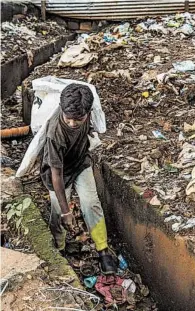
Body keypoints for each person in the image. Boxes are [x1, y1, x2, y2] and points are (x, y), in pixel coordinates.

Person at [40, 83, 117, 274]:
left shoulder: (86, 111)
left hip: (80, 163)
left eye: (79, 119)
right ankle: (58, 247)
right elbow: (56, 174)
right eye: (69, 119)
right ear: (62, 110)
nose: (73, 123)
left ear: (88, 113)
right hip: (58, 172)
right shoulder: (55, 133)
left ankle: (103, 250)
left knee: (91, 203)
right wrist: (67, 212)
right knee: (58, 211)